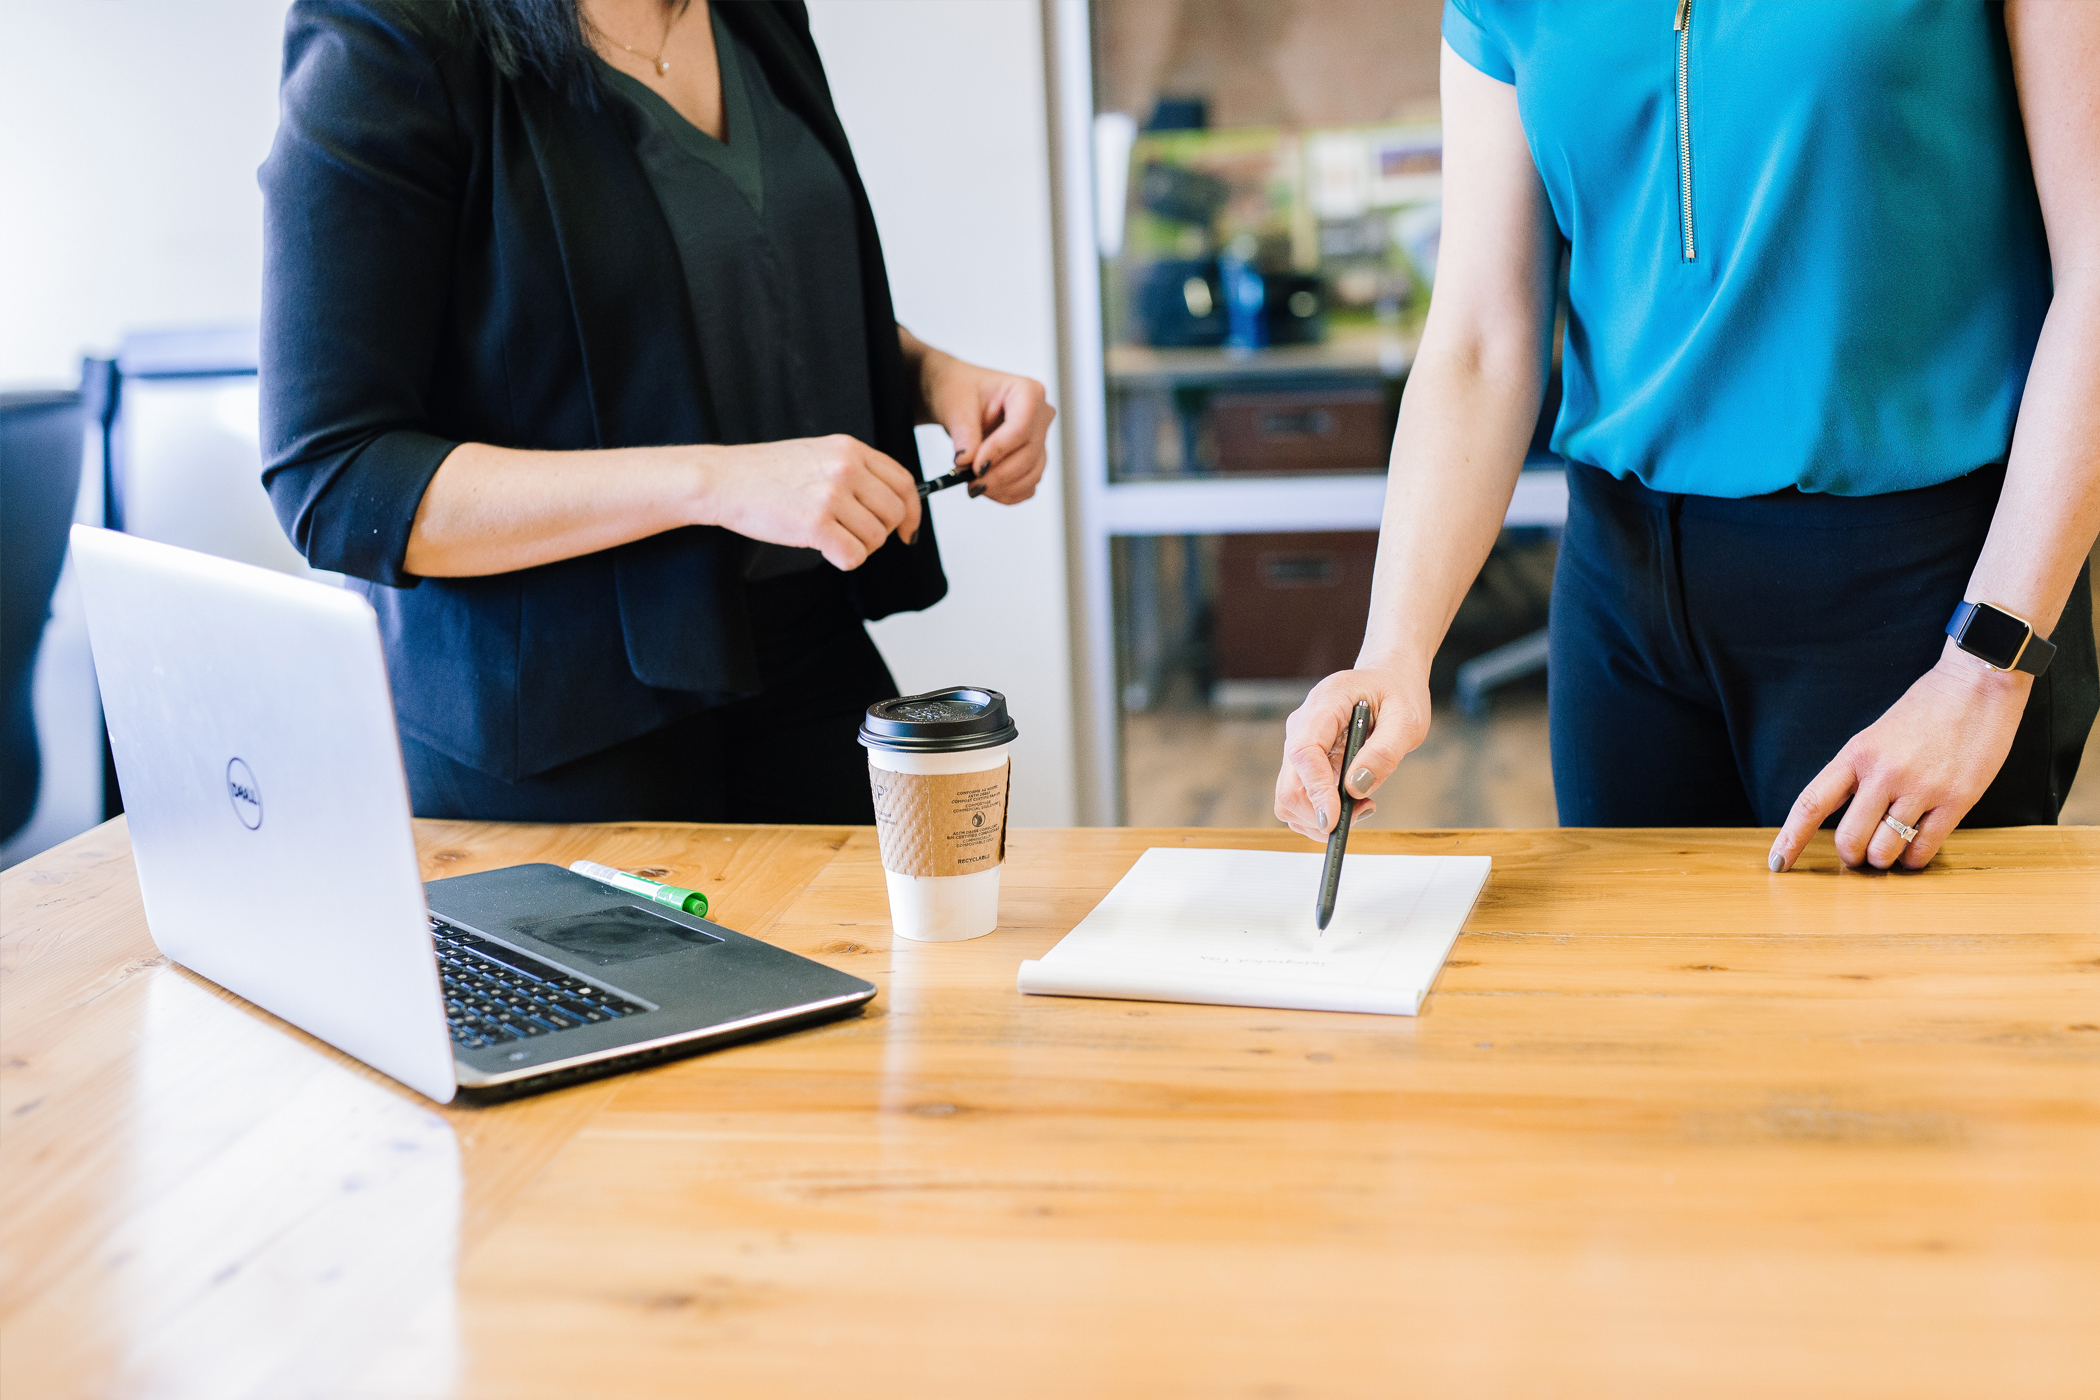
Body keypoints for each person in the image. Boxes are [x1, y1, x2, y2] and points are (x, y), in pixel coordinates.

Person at [1275, 0, 2100, 872]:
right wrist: (1392, 653)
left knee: (1895, 1005)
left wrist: (1987, 667)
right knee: (1645, 1000)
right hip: (1621, 601)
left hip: (1920, 594)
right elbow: (1482, 338)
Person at [260, 0, 1054, 824]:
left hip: (804, 655)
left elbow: (708, 296)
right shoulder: (388, 34)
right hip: (562, 726)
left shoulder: (753, 13)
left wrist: (929, 376)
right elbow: (337, 477)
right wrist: (712, 480)